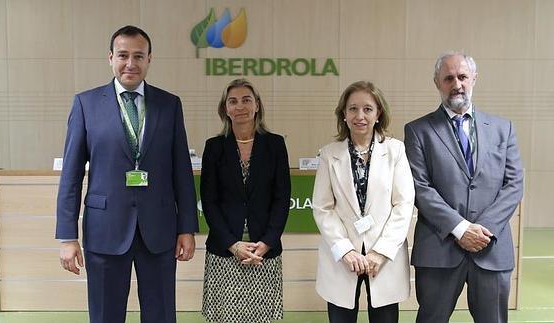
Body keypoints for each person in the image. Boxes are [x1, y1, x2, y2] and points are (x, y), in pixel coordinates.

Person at [55, 25, 198, 323]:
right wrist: (67, 236)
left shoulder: (169, 105)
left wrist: (187, 227)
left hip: (158, 231)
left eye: (138, 56)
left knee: (160, 315)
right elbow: (70, 175)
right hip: (105, 229)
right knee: (106, 315)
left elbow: (181, 171)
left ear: (149, 60)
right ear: (110, 57)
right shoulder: (86, 104)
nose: (130, 63)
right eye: (123, 55)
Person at [404, 52, 524, 323]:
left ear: (474, 79)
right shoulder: (417, 131)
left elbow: (514, 183)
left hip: (491, 247)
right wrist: (460, 229)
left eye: (462, 77)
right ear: (437, 83)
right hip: (439, 248)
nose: (456, 84)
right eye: (448, 78)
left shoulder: (503, 129)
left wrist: (481, 230)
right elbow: (420, 187)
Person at [312, 81, 415, 323]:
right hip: (342, 257)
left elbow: (404, 204)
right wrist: (345, 250)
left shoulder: (395, 151)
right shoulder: (329, 154)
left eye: (368, 109)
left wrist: (380, 253)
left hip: (383, 257)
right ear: (344, 114)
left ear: (378, 114)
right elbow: (322, 207)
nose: (360, 116)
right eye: (353, 109)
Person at [200, 78, 291, 323]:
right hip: (225, 251)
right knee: (225, 317)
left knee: (260, 317)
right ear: (225, 109)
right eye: (233, 101)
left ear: (257, 105)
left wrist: (267, 242)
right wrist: (233, 244)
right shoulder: (214, 147)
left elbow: (282, 199)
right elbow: (209, 202)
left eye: (246, 100)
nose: (240, 106)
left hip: (263, 253)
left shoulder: (275, 144)